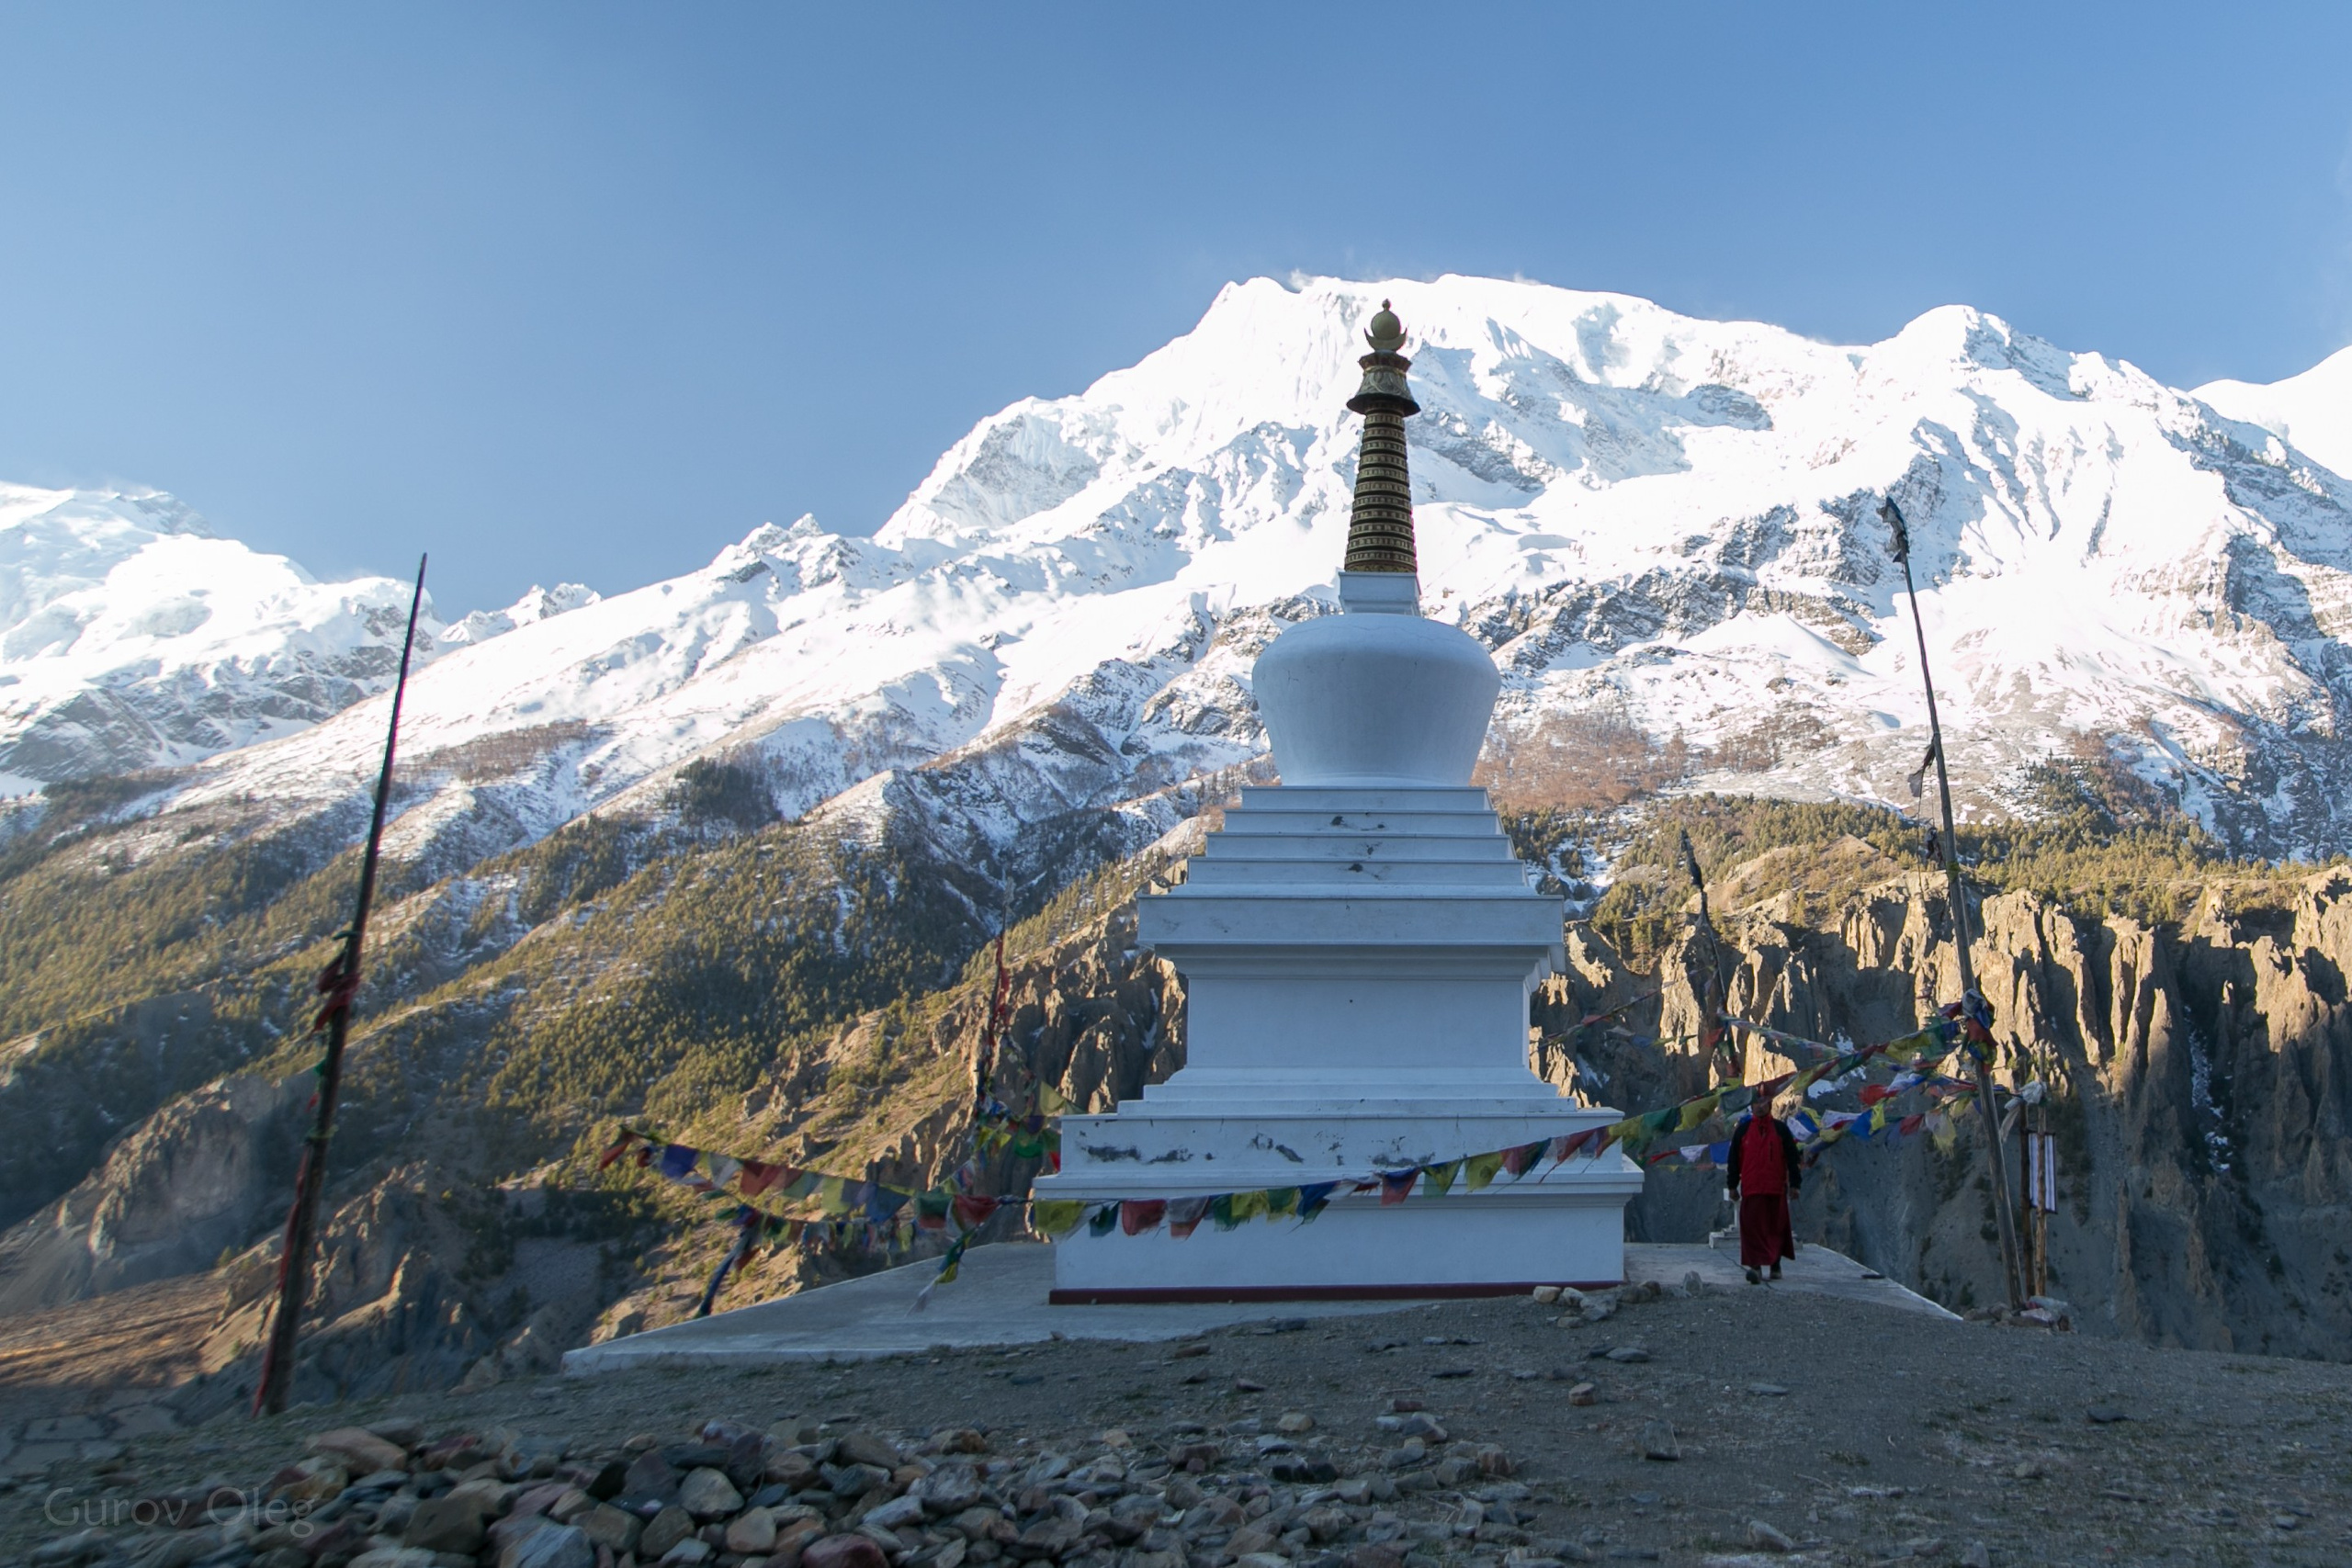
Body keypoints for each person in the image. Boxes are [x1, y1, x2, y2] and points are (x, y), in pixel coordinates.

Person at [1725, 1095, 1803, 1284]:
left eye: (1762, 1103)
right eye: (1755, 1104)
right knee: (1752, 1229)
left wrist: (1795, 1184)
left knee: (1775, 1228)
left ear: (1769, 1104)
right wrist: (1732, 1185)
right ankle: (1755, 1267)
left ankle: (1775, 1264)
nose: (1759, 1107)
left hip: (1775, 1188)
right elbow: (1734, 1160)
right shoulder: (1742, 1131)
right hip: (1751, 1187)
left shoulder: (1780, 1129)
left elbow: (1793, 1158)